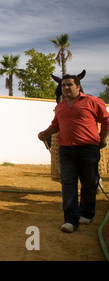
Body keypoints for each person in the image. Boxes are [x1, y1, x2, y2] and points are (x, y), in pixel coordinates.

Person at [38, 74, 108, 233]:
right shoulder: (60, 106)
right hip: (66, 150)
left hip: (88, 149)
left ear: (78, 87)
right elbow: (56, 125)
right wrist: (44, 132)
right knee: (68, 184)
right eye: (63, 86)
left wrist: (102, 139)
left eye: (69, 85)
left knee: (89, 184)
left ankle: (87, 214)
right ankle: (70, 220)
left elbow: (105, 120)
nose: (66, 88)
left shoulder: (92, 101)